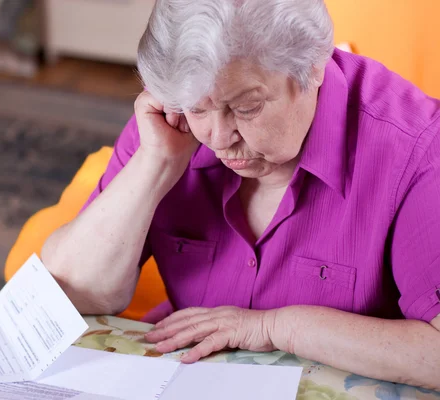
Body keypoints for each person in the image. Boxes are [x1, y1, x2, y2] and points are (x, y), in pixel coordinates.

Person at [41, 0, 440, 390]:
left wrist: (275, 327)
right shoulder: (171, 120)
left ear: (314, 66)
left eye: (246, 108)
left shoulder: (418, 151)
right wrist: (156, 162)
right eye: (198, 110)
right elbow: (68, 295)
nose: (217, 138)